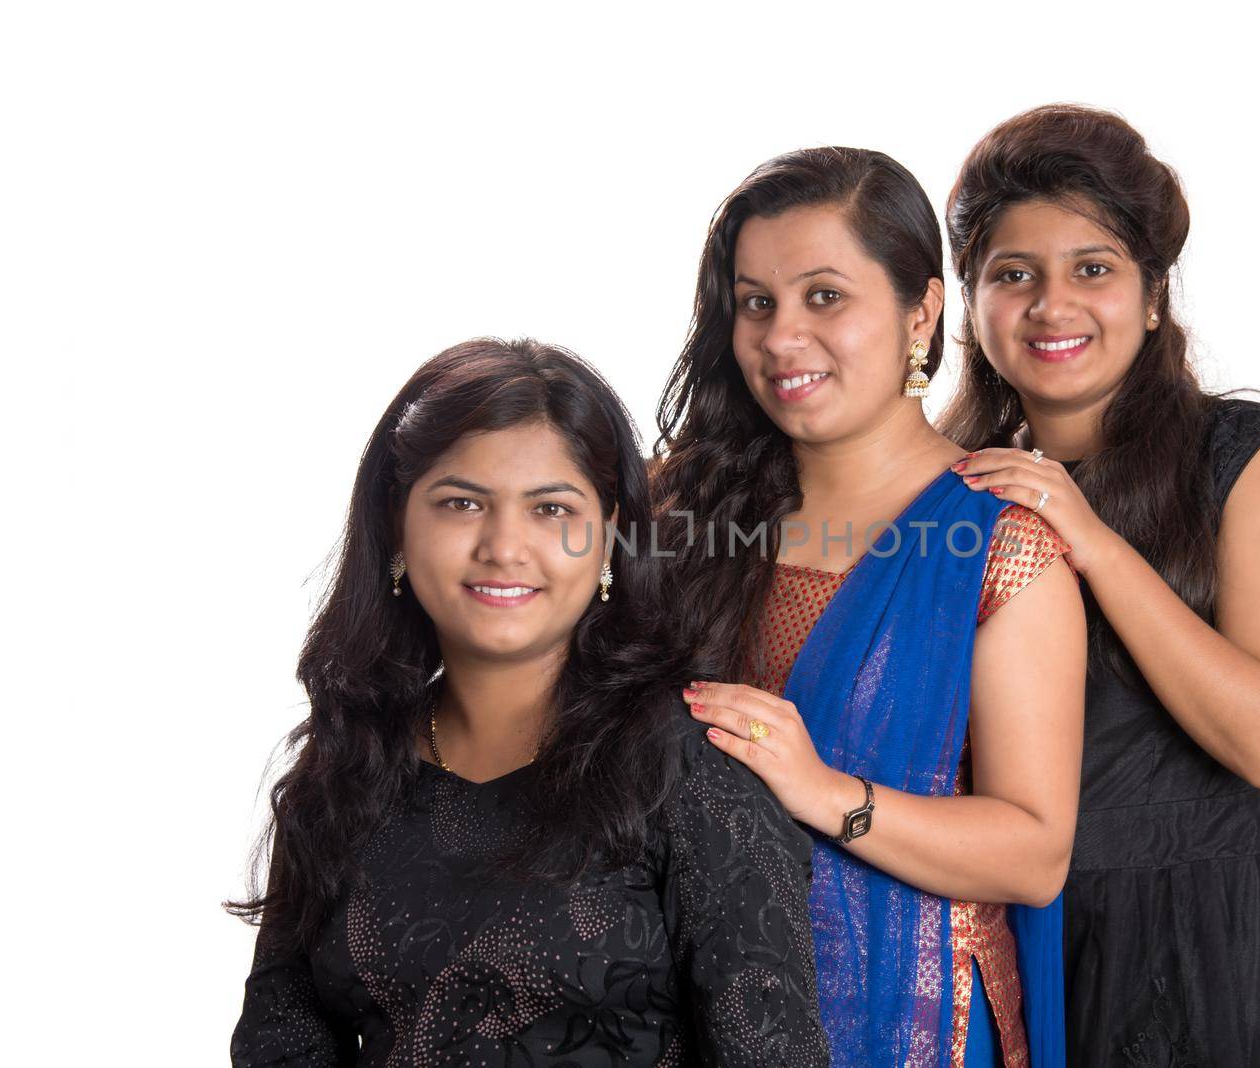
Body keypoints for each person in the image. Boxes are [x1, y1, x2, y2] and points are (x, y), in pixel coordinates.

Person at [228, 338, 829, 1067]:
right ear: (396, 524)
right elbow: (280, 1039)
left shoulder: (694, 771)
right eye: (460, 503)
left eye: (551, 508)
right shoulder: (345, 765)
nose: (504, 545)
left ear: (611, 534)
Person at [942, 105, 1260, 1066]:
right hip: (1004, 931)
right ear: (967, 304)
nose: (1053, 305)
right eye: (1014, 276)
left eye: (1092, 269)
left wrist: (1090, 542)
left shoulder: (1246, 455)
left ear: (1152, 293)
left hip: (1203, 924)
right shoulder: (942, 481)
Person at [651, 148, 1086, 1068]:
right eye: (756, 302)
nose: (780, 338)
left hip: (914, 1018)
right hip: (696, 1001)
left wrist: (823, 795)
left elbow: (1034, 850)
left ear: (921, 311)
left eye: (824, 297)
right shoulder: (685, 514)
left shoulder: (996, 542)